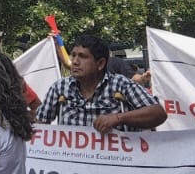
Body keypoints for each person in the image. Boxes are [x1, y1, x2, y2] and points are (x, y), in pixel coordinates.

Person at [35, 34, 166, 133]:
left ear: (100, 64)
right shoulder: (60, 88)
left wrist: (118, 118)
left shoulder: (120, 85)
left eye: (83, 56)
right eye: (73, 55)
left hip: (114, 163)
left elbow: (158, 113)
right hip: (72, 165)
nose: (75, 61)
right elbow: (40, 123)